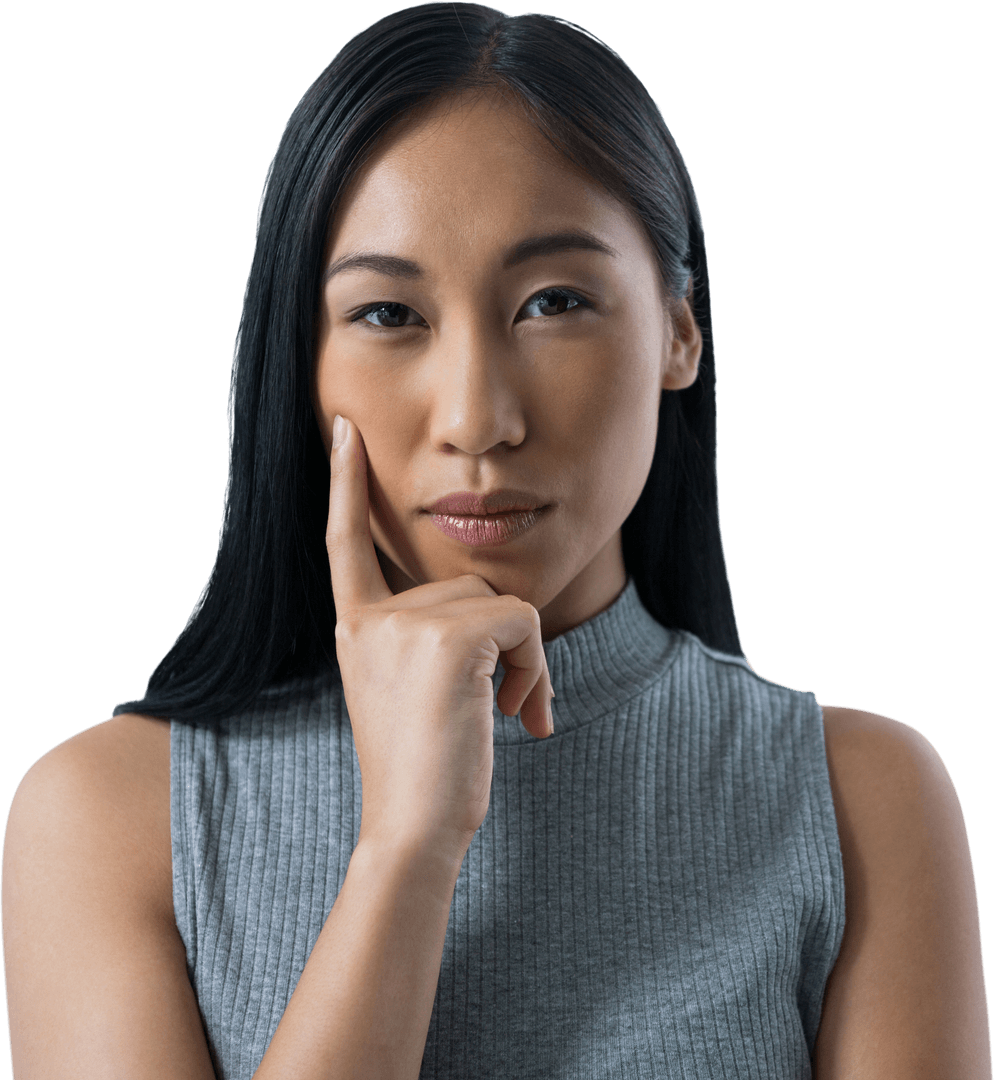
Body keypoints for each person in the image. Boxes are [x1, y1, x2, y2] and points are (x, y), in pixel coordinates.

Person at [2, 3, 990, 1078]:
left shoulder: (856, 803)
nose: (476, 418)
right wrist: (405, 851)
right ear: (300, 363)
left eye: (553, 301)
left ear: (679, 329)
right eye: (389, 315)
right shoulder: (111, 820)